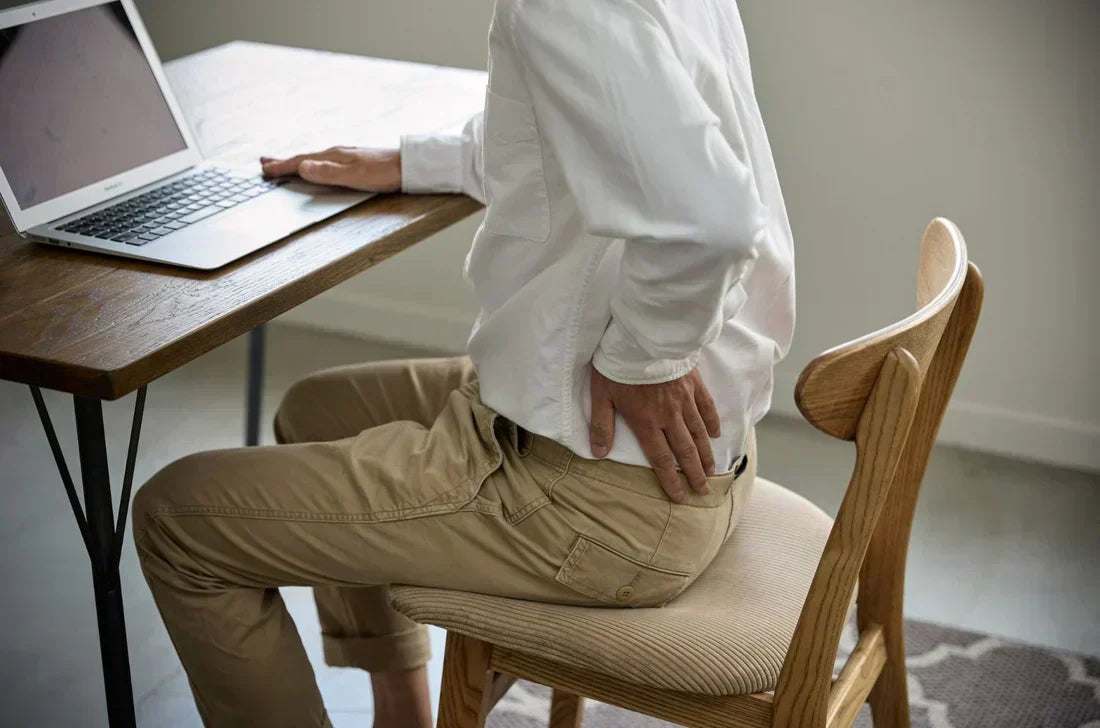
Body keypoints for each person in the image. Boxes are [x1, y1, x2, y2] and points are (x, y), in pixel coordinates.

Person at [132, 0, 795, 725]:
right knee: (313, 412)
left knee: (176, 521)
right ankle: (405, 713)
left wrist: (645, 360)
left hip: (603, 497)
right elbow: (582, 132)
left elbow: (710, 219)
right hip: (690, 458)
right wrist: (416, 161)